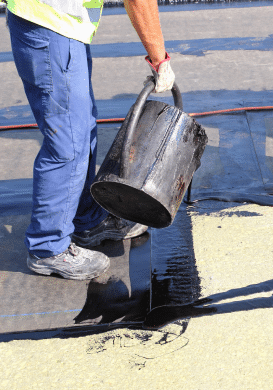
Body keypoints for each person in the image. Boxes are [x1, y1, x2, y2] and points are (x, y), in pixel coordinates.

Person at [5, 0, 175, 280]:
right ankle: (47, 247)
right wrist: (159, 59)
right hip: (48, 24)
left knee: (81, 128)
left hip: (61, 25)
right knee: (67, 143)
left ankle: (87, 220)